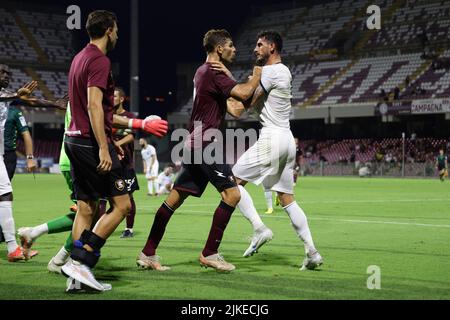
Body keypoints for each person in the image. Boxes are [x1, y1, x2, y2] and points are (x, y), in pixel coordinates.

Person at [136, 29, 262, 272]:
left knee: (174, 199)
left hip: (194, 142)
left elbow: (237, 109)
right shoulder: (214, 72)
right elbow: (244, 93)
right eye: (231, 45)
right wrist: (257, 75)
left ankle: (148, 253)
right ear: (219, 49)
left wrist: (247, 85)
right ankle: (210, 253)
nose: (235, 49)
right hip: (206, 143)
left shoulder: (203, 72)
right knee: (233, 195)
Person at [60, 10, 168, 292]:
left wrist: (139, 122)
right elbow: (95, 107)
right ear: (109, 29)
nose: (118, 33)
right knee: (122, 206)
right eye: (116, 29)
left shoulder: (79, 58)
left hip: (72, 139)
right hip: (91, 143)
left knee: (86, 208)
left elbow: (100, 111)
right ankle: (81, 263)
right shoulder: (99, 60)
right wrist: (105, 148)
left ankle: (75, 277)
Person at [214, 30, 322, 270]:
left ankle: (259, 228)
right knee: (287, 199)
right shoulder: (283, 71)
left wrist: (225, 81)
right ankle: (312, 252)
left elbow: (246, 102)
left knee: (231, 183)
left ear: (272, 47)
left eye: (260, 44)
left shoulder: (271, 71)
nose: (255, 48)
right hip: (287, 139)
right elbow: (247, 100)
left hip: (272, 138)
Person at [1, 66, 66, 261]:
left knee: (5, 194)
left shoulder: (9, 99)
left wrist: (55, 104)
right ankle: (13, 248)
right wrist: (15, 94)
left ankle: (13, 248)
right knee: (4, 195)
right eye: (2, 73)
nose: (5, 76)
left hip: (3, 154)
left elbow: (32, 100)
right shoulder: (8, 96)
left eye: (8, 74)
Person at [113, 87, 140, 238]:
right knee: (106, 197)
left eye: (115, 96)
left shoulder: (129, 116)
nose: (112, 99)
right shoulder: (106, 116)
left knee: (129, 196)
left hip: (126, 165)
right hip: (109, 163)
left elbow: (131, 137)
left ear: (122, 99)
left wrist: (117, 144)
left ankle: (129, 228)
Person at [3, 106, 35, 179]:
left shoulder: (14, 112)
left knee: (4, 188)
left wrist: (30, 159)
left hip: (7, 155)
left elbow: (26, 133)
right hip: (7, 155)